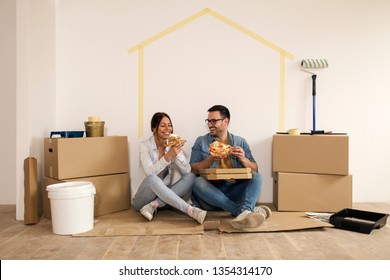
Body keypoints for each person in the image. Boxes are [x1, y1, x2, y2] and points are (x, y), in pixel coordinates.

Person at [190, 105, 271, 229]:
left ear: (225, 121)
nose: (210, 124)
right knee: (197, 182)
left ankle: (245, 211)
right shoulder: (201, 141)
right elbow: (193, 169)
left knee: (257, 177)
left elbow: (255, 169)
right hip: (211, 194)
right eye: (208, 121)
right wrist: (210, 158)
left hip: (234, 190)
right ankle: (244, 212)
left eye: (214, 121)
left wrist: (244, 159)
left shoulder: (240, 142)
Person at [132, 112, 207, 224]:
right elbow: (149, 173)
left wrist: (177, 154)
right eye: (163, 125)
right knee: (153, 178)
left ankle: (153, 205)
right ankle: (190, 210)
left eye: (170, 125)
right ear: (154, 128)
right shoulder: (144, 145)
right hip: (142, 199)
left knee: (191, 177)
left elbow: (187, 171)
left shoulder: (171, 144)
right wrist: (168, 156)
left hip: (163, 201)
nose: (168, 129)